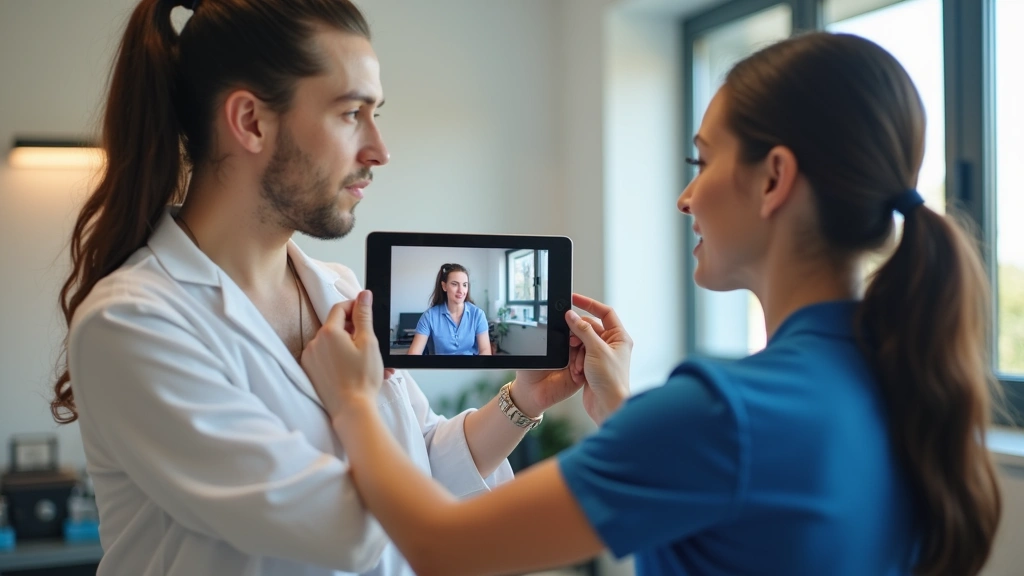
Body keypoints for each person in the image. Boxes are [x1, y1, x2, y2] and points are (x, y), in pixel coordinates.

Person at [304, 32, 1003, 576]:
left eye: (702, 163)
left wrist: (357, 403)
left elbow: (440, 546)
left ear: (774, 180)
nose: (685, 197)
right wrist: (618, 408)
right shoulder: (901, 379)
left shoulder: (722, 414)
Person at [50, 1, 582, 574]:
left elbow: (422, 463)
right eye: (352, 113)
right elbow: (351, 529)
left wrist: (525, 401)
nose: (379, 149)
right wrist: (354, 403)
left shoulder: (339, 289)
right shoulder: (134, 325)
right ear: (251, 121)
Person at [406, 263, 491, 356]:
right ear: (444, 286)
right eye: (455, 284)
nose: (461, 290)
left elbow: (485, 351)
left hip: (470, 368)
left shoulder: (478, 314)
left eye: (464, 285)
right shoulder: (429, 316)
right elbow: (413, 354)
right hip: (441, 368)